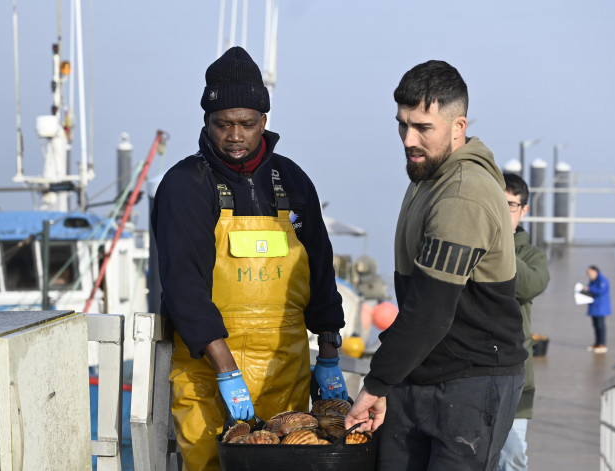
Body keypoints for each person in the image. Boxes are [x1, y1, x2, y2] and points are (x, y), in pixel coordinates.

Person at [151, 46, 347, 470]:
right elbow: (184, 285)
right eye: (222, 124)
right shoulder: (185, 185)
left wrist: (329, 355)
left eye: (246, 123)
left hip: (286, 369)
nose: (234, 136)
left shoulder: (292, 181)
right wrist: (227, 373)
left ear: (265, 121)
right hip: (211, 372)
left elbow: (321, 269)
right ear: (206, 122)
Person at [345, 60, 527, 471]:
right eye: (402, 124)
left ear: (458, 126)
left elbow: (429, 311)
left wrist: (374, 384)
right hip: (420, 374)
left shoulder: (463, 193)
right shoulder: (426, 176)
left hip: (473, 381)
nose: (408, 139)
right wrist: (392, 381)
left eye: (423, 127)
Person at [497, 174, 550, 471]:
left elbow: (529, 285)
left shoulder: (532, 255)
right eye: (497, 204)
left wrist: (496, 242)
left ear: (524, 209)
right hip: (468, 373)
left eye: (511, 205)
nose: (504, 212)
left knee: (513, 458)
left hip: (516, 377)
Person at [580, 265, 611, 353]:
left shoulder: (602, 280)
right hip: (594, 306)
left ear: (595, 272)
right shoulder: (592, 280)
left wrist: (589, 288)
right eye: (587, 273)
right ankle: (597, 343)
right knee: (595, 326)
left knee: (601, 326)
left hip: (601, 307)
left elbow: (600, 291)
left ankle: (602, 344)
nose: (588, 275)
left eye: (590, 273)